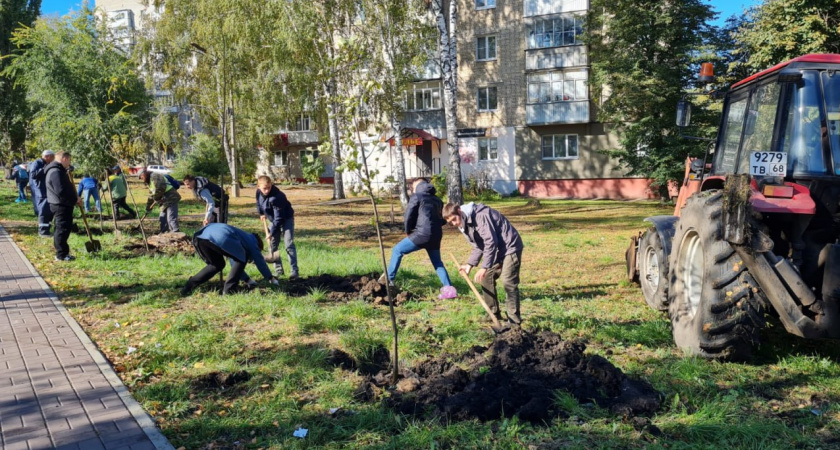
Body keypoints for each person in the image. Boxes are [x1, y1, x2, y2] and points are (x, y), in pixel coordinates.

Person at [443, 202, 524, 326]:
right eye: (450, 222)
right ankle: (493, 313)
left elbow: (490, 242)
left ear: (459, 211)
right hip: (497, 250)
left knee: (508, 282)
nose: (454, 224)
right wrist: (470, 265)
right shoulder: (464, 223)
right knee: (486, 277)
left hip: (509, 247)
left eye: (454, 219)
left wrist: (484, 267)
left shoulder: (480, 216)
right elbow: (479, 246)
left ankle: (514, 321)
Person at [380, 178, 456, 299]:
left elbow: (409, 215)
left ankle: (389, 280)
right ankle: (449, 290)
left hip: (421, 234)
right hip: (436, 235)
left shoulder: (417, 196)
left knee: (397, 250)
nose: (412, 188)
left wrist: (408, 230)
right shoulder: (438, 200)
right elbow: (441, 220)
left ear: (418, 186)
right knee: (437, 262)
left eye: (413, 186)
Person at [180, 223, 280, 296]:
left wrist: (247, 280)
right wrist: (270, 277)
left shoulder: (240, 236)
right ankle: (228, 290)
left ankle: (189, 286)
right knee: (241, 259)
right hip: (219, 237)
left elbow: (234, 263)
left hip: (201, 237)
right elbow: (259, 261)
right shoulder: (252, 241)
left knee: (216, 265)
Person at [256, 175, 298, 279]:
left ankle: (294, 272)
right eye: (264, 188)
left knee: (289, 244)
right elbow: (258, 203)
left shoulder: (277, 197)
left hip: (286, 219)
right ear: (258, 187)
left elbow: (279, 219)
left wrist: (271, 232)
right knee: (273, 244)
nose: (266, 191)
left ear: (271, 185)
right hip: (273, 219)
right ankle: (279, 270)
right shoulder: (258, 192)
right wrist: (261, 213)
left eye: (269, 188)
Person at [45, 151, 82, 262]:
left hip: (60, 203)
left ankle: (62, 253)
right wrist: (75, 200)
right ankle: (61, 255)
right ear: (64, 159)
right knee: (62, 229)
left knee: (62, 229)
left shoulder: (58, 170)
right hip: (60, 204)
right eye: (69, 160)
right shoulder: (56, 172)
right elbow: (61, 191)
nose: (69, 163)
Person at [29, 150, 56, 235]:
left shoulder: (45, 164)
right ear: (47, 156)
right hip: (40, 190)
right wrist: (45, 168)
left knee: (48, 210)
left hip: (46, 190)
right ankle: (43, 231)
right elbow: (33, 175)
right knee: (43, 210)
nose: (53, 159)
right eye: (52, 157)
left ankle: (47, 229)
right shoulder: (37, 163)